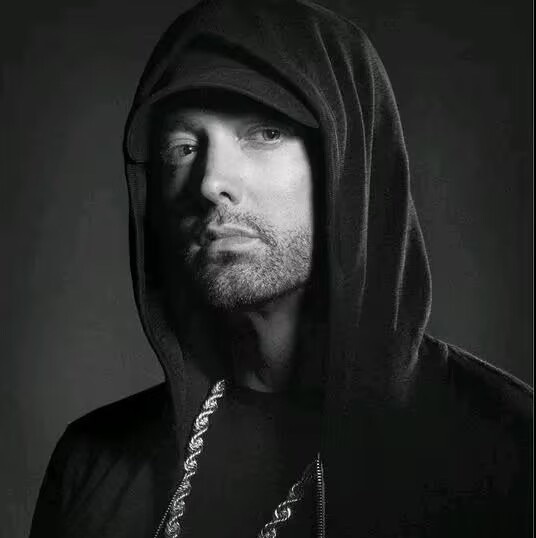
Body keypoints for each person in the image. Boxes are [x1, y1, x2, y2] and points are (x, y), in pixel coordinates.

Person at [29, 0, 532, 537]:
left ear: (349, 161)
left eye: (265, 133)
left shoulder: (508, 453)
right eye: (183, 146)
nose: (211, 182)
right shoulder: (91, 464)